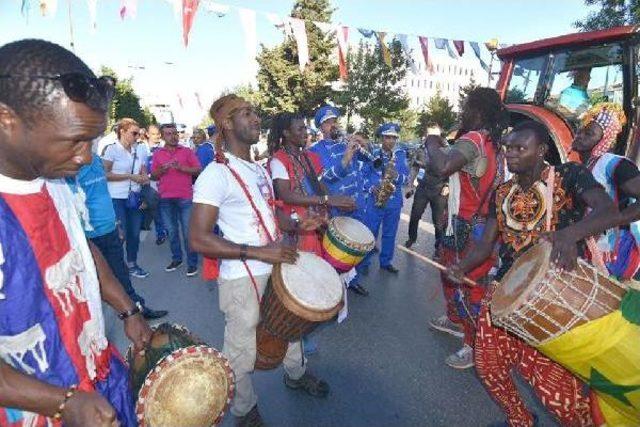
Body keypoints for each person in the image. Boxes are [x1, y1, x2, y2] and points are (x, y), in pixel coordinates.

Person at [0, 38, 151, 426]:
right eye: (75, 141)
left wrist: (127, 309)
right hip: (37, 409)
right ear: (6, 119)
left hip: (98, 377)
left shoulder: (55, 181)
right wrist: (64, 402)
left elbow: (82, 252)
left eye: (93, 140)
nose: (86, 157)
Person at [450, 120, 620, 426]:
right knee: (488, 366)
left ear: (541, 150)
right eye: (508, 148)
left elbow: (608, 210)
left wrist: (570, 235)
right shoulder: (502, 192)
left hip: (553, 294)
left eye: (519, 148)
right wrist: (461, 267)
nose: (510, 154)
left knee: (554, 390)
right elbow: (485, 245)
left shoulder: (569, 175)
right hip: (504, 291)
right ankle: (520, 420)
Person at [190, 94, 329, 427]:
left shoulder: (257, 169)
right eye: (246, 113)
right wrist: (257, 252)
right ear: (226, 123)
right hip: (242, 275)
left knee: (291, 327)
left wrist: (296, 225)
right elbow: (198, 238)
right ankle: (244, 408)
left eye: (255, 113)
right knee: (240, 346)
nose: (256, 119)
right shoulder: (215, 174)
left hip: (275, 264)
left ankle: (295, 375)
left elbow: (268, 215)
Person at [425, 87, 507, 369]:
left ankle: (473, 346)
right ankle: (455, 319)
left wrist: (432, 141)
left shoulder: (474, 138)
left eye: (466, 108)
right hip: (473, 224)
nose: (462, 113)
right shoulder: (493, 141)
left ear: (479, 113)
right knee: (452, 275)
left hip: (472, 229)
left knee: (471, 287)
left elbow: (444, 165)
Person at [67, 153, 168, 320]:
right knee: (92, 285)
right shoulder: (69, 167)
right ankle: (94, 329)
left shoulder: (96, 159)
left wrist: (116, 224)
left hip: (109, 230)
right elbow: (71, 205)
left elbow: (104, 194)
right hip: (89, 238)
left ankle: (138, 311)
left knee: (122, 276)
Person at [268, 112, 356, 254]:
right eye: (300, 129)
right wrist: (327, 200)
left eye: (305, 128)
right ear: (286, 133)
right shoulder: (278, 160)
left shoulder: (310, 156)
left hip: (317, 221)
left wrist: (337, 204)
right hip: (297, 228)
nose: (305, 133)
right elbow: (286, 195)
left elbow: (320, 184)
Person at [309, 105, 373, 296]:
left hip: (358, 203)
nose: (333, 125)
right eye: (327, 123)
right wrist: (345, 159)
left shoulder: (347, 142)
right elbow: (326, 177)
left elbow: (371, 161)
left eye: (334, 121)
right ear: (321, 128)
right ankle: (332, 285)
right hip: (338, 207)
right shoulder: (316, 151)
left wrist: (366, 146)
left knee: (359, 245)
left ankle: (353, 279)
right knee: (338, 250)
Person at [572, 102, 640, 279]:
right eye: (580, 130)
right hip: (590, 247)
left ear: (605, 139)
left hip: (615, 251)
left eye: (589, 133)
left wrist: (613, 219)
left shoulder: (613, 163)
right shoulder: (583, 167)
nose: (579, 136)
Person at [102, 117, 150, 279]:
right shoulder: (112, 150)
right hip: (116, 198)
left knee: (134, 234)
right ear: (122, 132)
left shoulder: (140, 149)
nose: (137, 137)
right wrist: (129, 176)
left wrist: (144, 178)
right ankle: (114, 268)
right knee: (119, 235)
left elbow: (143, 170)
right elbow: (105, 174)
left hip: (135, 196)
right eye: (134, 133)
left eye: (138, 133)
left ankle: (132, 265)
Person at [357, 123, 409, 275]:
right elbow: (362, 175)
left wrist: (397, 176)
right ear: (381, 138)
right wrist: (370, 188)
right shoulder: (372, 154)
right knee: (370, 233)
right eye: (387, 137)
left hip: (393, 202)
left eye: (394, 138)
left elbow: (406, 179)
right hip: (375, 201)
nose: (391, 141)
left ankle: (385, 262)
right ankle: (364, 262)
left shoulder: (400, 155)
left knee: (390, 234)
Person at [151, 123, 202, 277]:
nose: (173, 136)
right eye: (168, 133)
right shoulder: (158, 154)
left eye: (174, 133)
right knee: (172, 232)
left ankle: (192, 263)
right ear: (162, 136)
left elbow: (198, 169)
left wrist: (181, 168)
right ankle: (177, 259)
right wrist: (163, 169)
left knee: (187, 232)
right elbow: (153, 175)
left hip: (185, 197)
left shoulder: (187, 151)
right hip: (165, 198)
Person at [405, 135, 448, 250]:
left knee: (438, 222)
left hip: (439, 190)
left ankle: (439, 246)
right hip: (423, 187)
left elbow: (452, 170)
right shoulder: (421, 150)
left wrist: (447, 186)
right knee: (415, 215)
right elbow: (415, 168)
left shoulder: (447, 152)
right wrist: (410, 185)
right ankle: (411, 238)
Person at [145, 123, 168, 245]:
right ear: (147, 134)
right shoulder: (141, 148)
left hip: (165, 184)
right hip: (150, 185)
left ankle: (167, 230)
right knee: (156, 211)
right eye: (153, 134)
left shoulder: (166, 147)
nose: (156, 136)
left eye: (158, 134)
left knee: (166, 210)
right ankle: (161, 233)